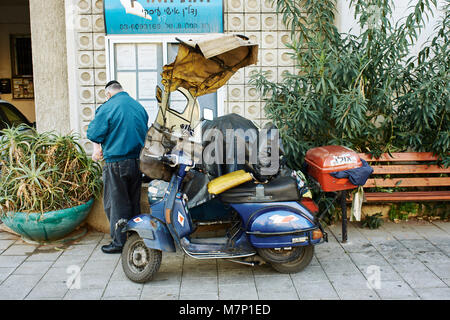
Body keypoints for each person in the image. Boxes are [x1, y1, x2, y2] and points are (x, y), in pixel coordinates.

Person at [87, 80, 149, 253]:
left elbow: (93, 133)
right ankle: (135, 238)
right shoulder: (138, 107)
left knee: (117, 204)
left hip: (116, 162)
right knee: (133, 202)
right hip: (137, 162)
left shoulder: (108, 107)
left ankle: (119, 243)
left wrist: (97, 149)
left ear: (108, 94)